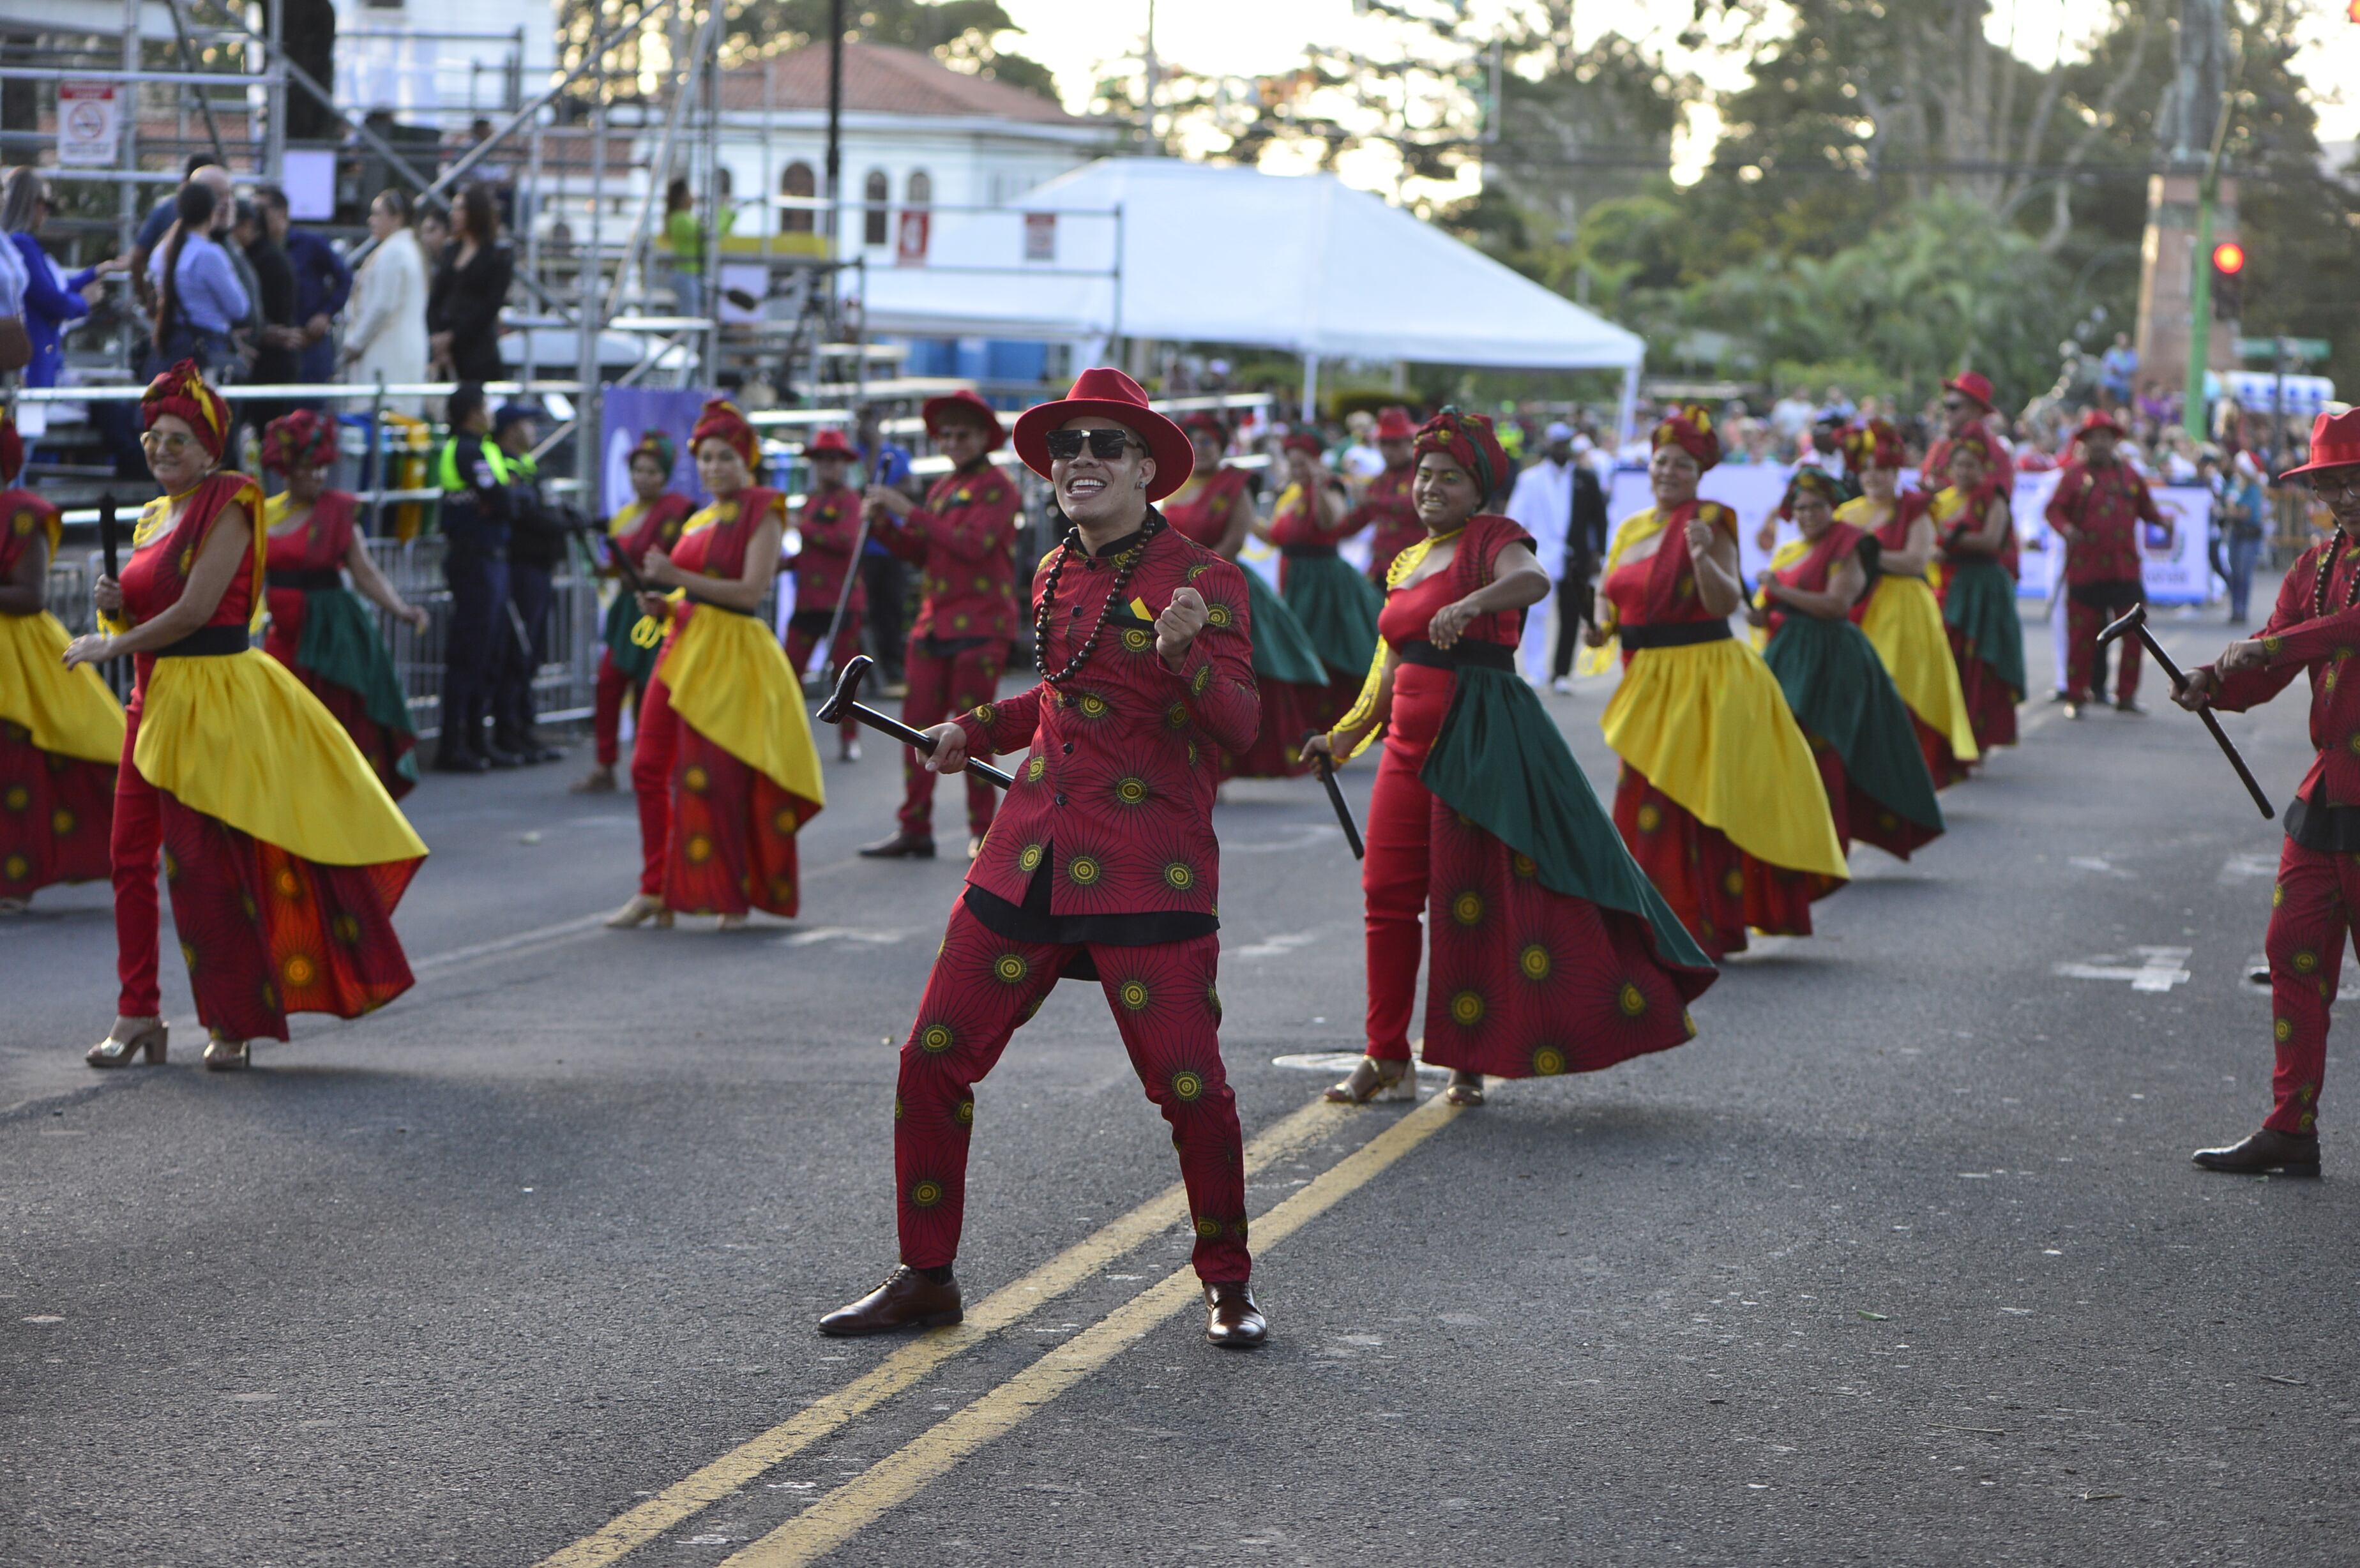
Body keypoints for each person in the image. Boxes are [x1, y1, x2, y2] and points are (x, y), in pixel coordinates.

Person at [818, 366, 1268, 1348]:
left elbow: (1240, 726)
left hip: (1151, 864)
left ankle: (1228, 1284)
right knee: (932, 1059)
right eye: (1067, 448)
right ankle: (925, 1276)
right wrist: (970, 724)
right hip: (1027, 852)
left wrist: (1189, 652)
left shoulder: (1206, 580)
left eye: (1106, 444)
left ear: (1149, 466)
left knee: (1192, 1090)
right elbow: (1059, 695)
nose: (1081, 461)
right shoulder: (1054, 569)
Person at [1309, 409, 1715, 1109]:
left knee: (1470, 900)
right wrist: (1346, 736)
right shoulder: (1409, 559)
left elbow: (1534, 582)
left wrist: (1471, 603)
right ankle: (1386, 1055)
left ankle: (1469, 1056)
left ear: (1478, 488)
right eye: (1423, 476)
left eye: (1449, 478)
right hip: (1406, 748)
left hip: (1478, 743)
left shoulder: (1494, 538)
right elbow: (1391, 661)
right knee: (1388, 897)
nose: (1430, 488)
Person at [64, 361, 426, 1071]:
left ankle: (231, 1020)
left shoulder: (232, 497)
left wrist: (115, 640)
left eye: (176, 439)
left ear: (210, 448)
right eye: (151, 439)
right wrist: (113, 604)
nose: (160, 450)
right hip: (152, 701)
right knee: (126, 859)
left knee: (202, 867)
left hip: (211, 703)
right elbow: (143, 603)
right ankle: (138, 1010)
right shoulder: (150, 515)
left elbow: (197, 609)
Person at [1585, 405, 1848, 958]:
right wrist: (1599, 625)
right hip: (1648, 681)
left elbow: (1726, 601)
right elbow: (1610, 595)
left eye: (1682, 465)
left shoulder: (1711, 518)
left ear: (1700, 473)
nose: (1669, 473)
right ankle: (1648, 923)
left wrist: (1702, 556)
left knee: (1694, 800)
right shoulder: (1632, 526)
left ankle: (1701, 926)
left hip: (1704, 676)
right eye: (1662, 462)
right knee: (1647, 798)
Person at [2177, 409, 2360, 1177]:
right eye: (2329, 483)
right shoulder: (2313, 565)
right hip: (2331, 792)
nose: (2341, 495)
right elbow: (2271, 664)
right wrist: (2214, 682)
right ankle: (2292, 1128)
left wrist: (2271, 645)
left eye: (2354, 480)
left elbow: (2345, 629)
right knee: (2292, 948)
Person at [609, 399, 823, 931]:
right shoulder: (699, 517)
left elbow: (750, 593)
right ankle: (654, 889)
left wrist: (672, 584)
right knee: (647, 767)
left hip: (733, 653)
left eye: (725, 457)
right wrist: (667, 604)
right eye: (705, 458)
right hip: (682, 645)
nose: (713, 468)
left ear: (746, 459)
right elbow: (694, 593)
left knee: (717, 778)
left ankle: (729, 896)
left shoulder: (765, 508)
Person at [1752, 467, 1945, 869]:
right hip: (1790, 658)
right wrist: (1764, 609)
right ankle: (1796, 842)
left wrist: (1781, 592)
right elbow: (1780, 603)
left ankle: (1827, 849)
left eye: (1816, 506)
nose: (1807, 514)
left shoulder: (1850, 543)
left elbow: (1836, 604)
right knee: (1786, 751)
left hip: (1833, 658)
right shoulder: (1793, 549)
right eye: (1799, 507)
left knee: (1827, 750)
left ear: (1833, 507)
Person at [859, 391, 1022, 862]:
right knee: (915, 732)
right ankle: (914, 827)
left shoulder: (1001, 487)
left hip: (981, 625)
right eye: (945, 434)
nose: (952, 441)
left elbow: (972, 545)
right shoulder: (943, 488)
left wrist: (906, 511)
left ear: (982, 438)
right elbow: (923, 551)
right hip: (935, 626)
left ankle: (985, 830)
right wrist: (885, 525)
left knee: (973, 732)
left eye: (962, 434)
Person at [257, 410, 428, 799]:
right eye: (306, 468)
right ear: (285, 468)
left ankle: (346, 805)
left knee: (339, 722)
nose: (316, 477)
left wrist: (400, 609)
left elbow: (365, 573)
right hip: (284, 638)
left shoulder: (338, 513)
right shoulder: (264, 513)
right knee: (286, 721)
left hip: (333, 639)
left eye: (321, 468)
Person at [1161, 411, 1330, 778]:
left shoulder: (1236, 483)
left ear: (1222, 446)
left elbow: (1235, 541)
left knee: (1235, 670)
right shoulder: (1177, 484)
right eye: (1194, 440)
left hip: (1223, 584)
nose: (1201, 448)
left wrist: (1199, 580)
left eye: (1208, 441)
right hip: (1175, 586)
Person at [0, 414, 124, 911]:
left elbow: (31, 596)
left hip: (15, 659)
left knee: (18, 766)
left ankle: (14, 880)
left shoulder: (24, 514)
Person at [1837, 419, 1979, 788]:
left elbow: (1916, 561)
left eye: (1882, 469)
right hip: (1855, 610)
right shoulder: (1845, 514)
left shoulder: (1915, 508)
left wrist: (1866, 556)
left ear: (1896, 470)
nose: (1874, 477)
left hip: (1905, 609)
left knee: (1904, 689)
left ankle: (1908, 774)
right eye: (1867, 469)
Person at [576, 432, 695, 794]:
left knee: (653, 687)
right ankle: (606, 765)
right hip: (628, 610)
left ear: (665, 475)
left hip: (658, 607)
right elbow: (618, 566)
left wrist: (652, 579)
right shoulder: (624, 516)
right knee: (610, 682)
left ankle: (658, 768)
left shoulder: (680, 512)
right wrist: (608, 571)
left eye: (652, 471)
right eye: (638, 470)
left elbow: (682, 562)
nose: (643, 478)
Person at [2046, 409, 2167, 718]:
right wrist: (2067, 529)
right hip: (2085, 572)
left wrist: (2164, 522)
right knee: (2081, 638)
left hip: (2125, 570)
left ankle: (2126, 696)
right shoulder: (2073, 476)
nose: (2099, 443)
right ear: (2084, 442)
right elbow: (2054, 511)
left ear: (2115, 440)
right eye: (2093, 438)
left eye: (2105, 437)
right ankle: (2076, 696)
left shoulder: (2130, 474)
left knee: (2135, 637)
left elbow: (2147, 509)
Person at [1267, 431, 1383, 727]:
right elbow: (1275, 536)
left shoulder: (1329, 487)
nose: (1296, 471)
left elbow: (1331, 523)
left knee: (1325, 648)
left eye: (1302, 464)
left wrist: (1319, 485)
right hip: (1297, 578)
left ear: (1317, 461)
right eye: (1292, 465)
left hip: (1323, 582)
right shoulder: (1291, 496)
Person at [430, 382, 516, 772]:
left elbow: (505, 501)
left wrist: (506, 500)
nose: (490, 413)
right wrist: (505, 500)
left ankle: (478, 741)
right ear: (471, 412)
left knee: (490, 651)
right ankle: (454, 744)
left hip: (491, 559)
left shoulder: (484, 449)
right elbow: (501, 499)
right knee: (469, 654)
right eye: (485, 406)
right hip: (474, 560)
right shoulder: (466, 450)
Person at [1929, 428, 2025, 753]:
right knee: (1951, 662)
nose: (1964, 472)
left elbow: (1991, 541)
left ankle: (1979, 739)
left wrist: (1947, 540)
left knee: (1981, 664)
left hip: (1984, 590)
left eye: (1972, 465)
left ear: (1983, 468)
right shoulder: (1941, 501)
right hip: (1949, 588)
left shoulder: (1992, 496)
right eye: (1959, 465)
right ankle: (1951, 737)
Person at [782, 427, 870, 761]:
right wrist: (783, 564)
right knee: (789, 672)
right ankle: (785, 739)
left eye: (833, 460)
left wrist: (799, 526)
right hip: (809, 603)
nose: (827, 467)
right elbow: (809, 551)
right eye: (821, 460)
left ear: (843, 465)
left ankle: (850, 738)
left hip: (841, 602)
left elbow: (844, 541)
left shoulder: (850, 500)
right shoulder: (811, 501)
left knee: (844, 677)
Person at [488, 402, 564, 763]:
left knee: (531, 651)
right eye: (525, 422)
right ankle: (508, 729)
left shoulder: (527, 464)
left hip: (538, 567)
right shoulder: (500, 461)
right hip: (519, 569)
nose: (532, 428)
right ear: (509, 428)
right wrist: (555, 521)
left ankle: (524, 727)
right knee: (516, 651)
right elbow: (521, 511)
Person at [4, 170, 115, 390]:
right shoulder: (21, 244)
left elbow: (54, 290)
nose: (46, 211)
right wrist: (84, 301)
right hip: (31, 359)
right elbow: (53, 301)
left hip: (34, 355)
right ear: (30, 203)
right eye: (44, 202)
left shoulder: (20, 244)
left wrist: (95, 273)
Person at [144, 181, 248, 379]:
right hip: (204, 347)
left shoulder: (163, 250)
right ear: (212, 213)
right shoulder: (209, 254)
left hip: (170, 343)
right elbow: (239, 308)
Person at [338, 190, 430, 416]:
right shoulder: (407, 249)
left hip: (388, 351)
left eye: (378, 214)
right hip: (399, 347)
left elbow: (382, 306)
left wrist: (356, 343)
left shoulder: (395, 252)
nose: (372, 221)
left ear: (396, 218)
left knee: (384, 419)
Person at [255, 185, 351, 390]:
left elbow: (344, 278)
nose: (258, 217)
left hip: (309, 344)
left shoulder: (311, 244)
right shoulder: (255, 250)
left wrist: (325, 314)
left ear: (282, 212)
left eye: (263, 210)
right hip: (270, 348)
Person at [854, 403, 914, 689]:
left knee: (891, 608)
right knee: (866, 610)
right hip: (863, 547)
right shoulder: (856, 454)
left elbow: (910, 484)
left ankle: (892, 667)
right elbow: (863, 481)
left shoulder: (895, 453)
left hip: (890, 547)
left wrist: (887, 495)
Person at [426, 184, 511, 384]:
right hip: (445, 352)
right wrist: (438, 337)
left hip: (477, 351)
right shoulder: (451, 250)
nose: (454, 215)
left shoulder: (497, 255)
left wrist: (453, 336)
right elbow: (436, 297)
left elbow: (490, 305)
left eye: (461, 209)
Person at [1341, 407, 1422, 585]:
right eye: (1383, 444)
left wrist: (1370, 501)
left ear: (1410, 443)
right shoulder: (1379, 482)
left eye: (1395, 444)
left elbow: (1409, 505)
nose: (1388, 451)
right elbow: (1354, 521)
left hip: (1415, 572)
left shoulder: (1423, 476)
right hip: (1380, 571)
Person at [2222, 449, 2269, 624]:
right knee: (2234, 571)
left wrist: (2231, 510)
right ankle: (2235, 607)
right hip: (2236, 532)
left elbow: (2244, 512)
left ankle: (2241, 608)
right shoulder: (2235, 484)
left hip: (2249, 533)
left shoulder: (2253, 488)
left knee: (2243, 572)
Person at [660, 176, 706, 317]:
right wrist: (725, 213)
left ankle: (688, 340)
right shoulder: (681, 219)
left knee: (693, 313)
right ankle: (686, 340)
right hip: (686, 273)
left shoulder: (683, 218)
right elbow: (705, 234)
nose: (692, 197)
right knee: (690, 315)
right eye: (689, 193)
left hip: (690, 273)